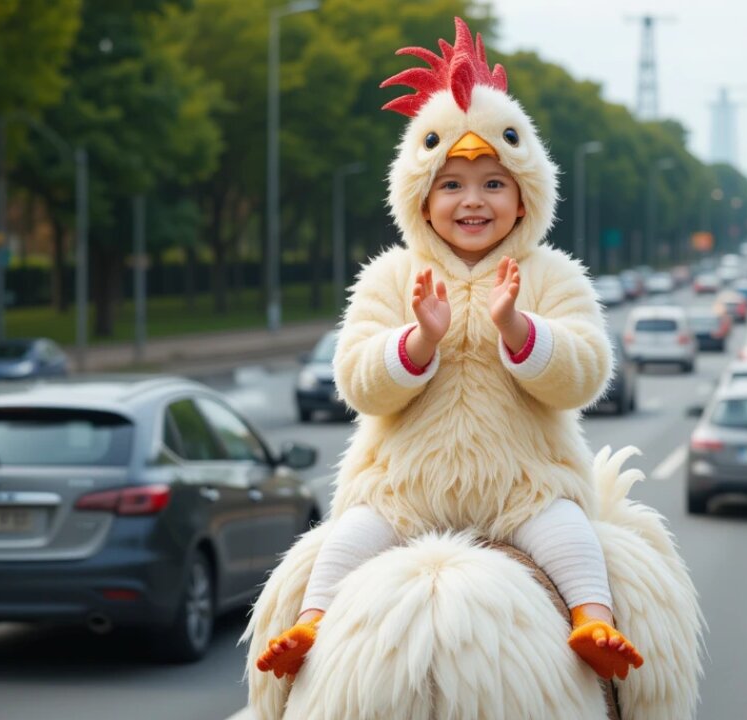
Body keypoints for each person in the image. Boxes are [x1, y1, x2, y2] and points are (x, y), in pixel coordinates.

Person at [254, 18, 643, 683]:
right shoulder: (389, 277)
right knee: (345, 542)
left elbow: (585, 375)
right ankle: (312, 628)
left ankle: (592, 622)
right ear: (421, 199)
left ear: (525, 199)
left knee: (574, 538)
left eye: (494, 183)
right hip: (403, 487)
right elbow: (356, 380)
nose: (473, 200)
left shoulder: (553, 276)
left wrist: (520, 329)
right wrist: (419, 339)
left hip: (525, 484)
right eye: (452, 184)